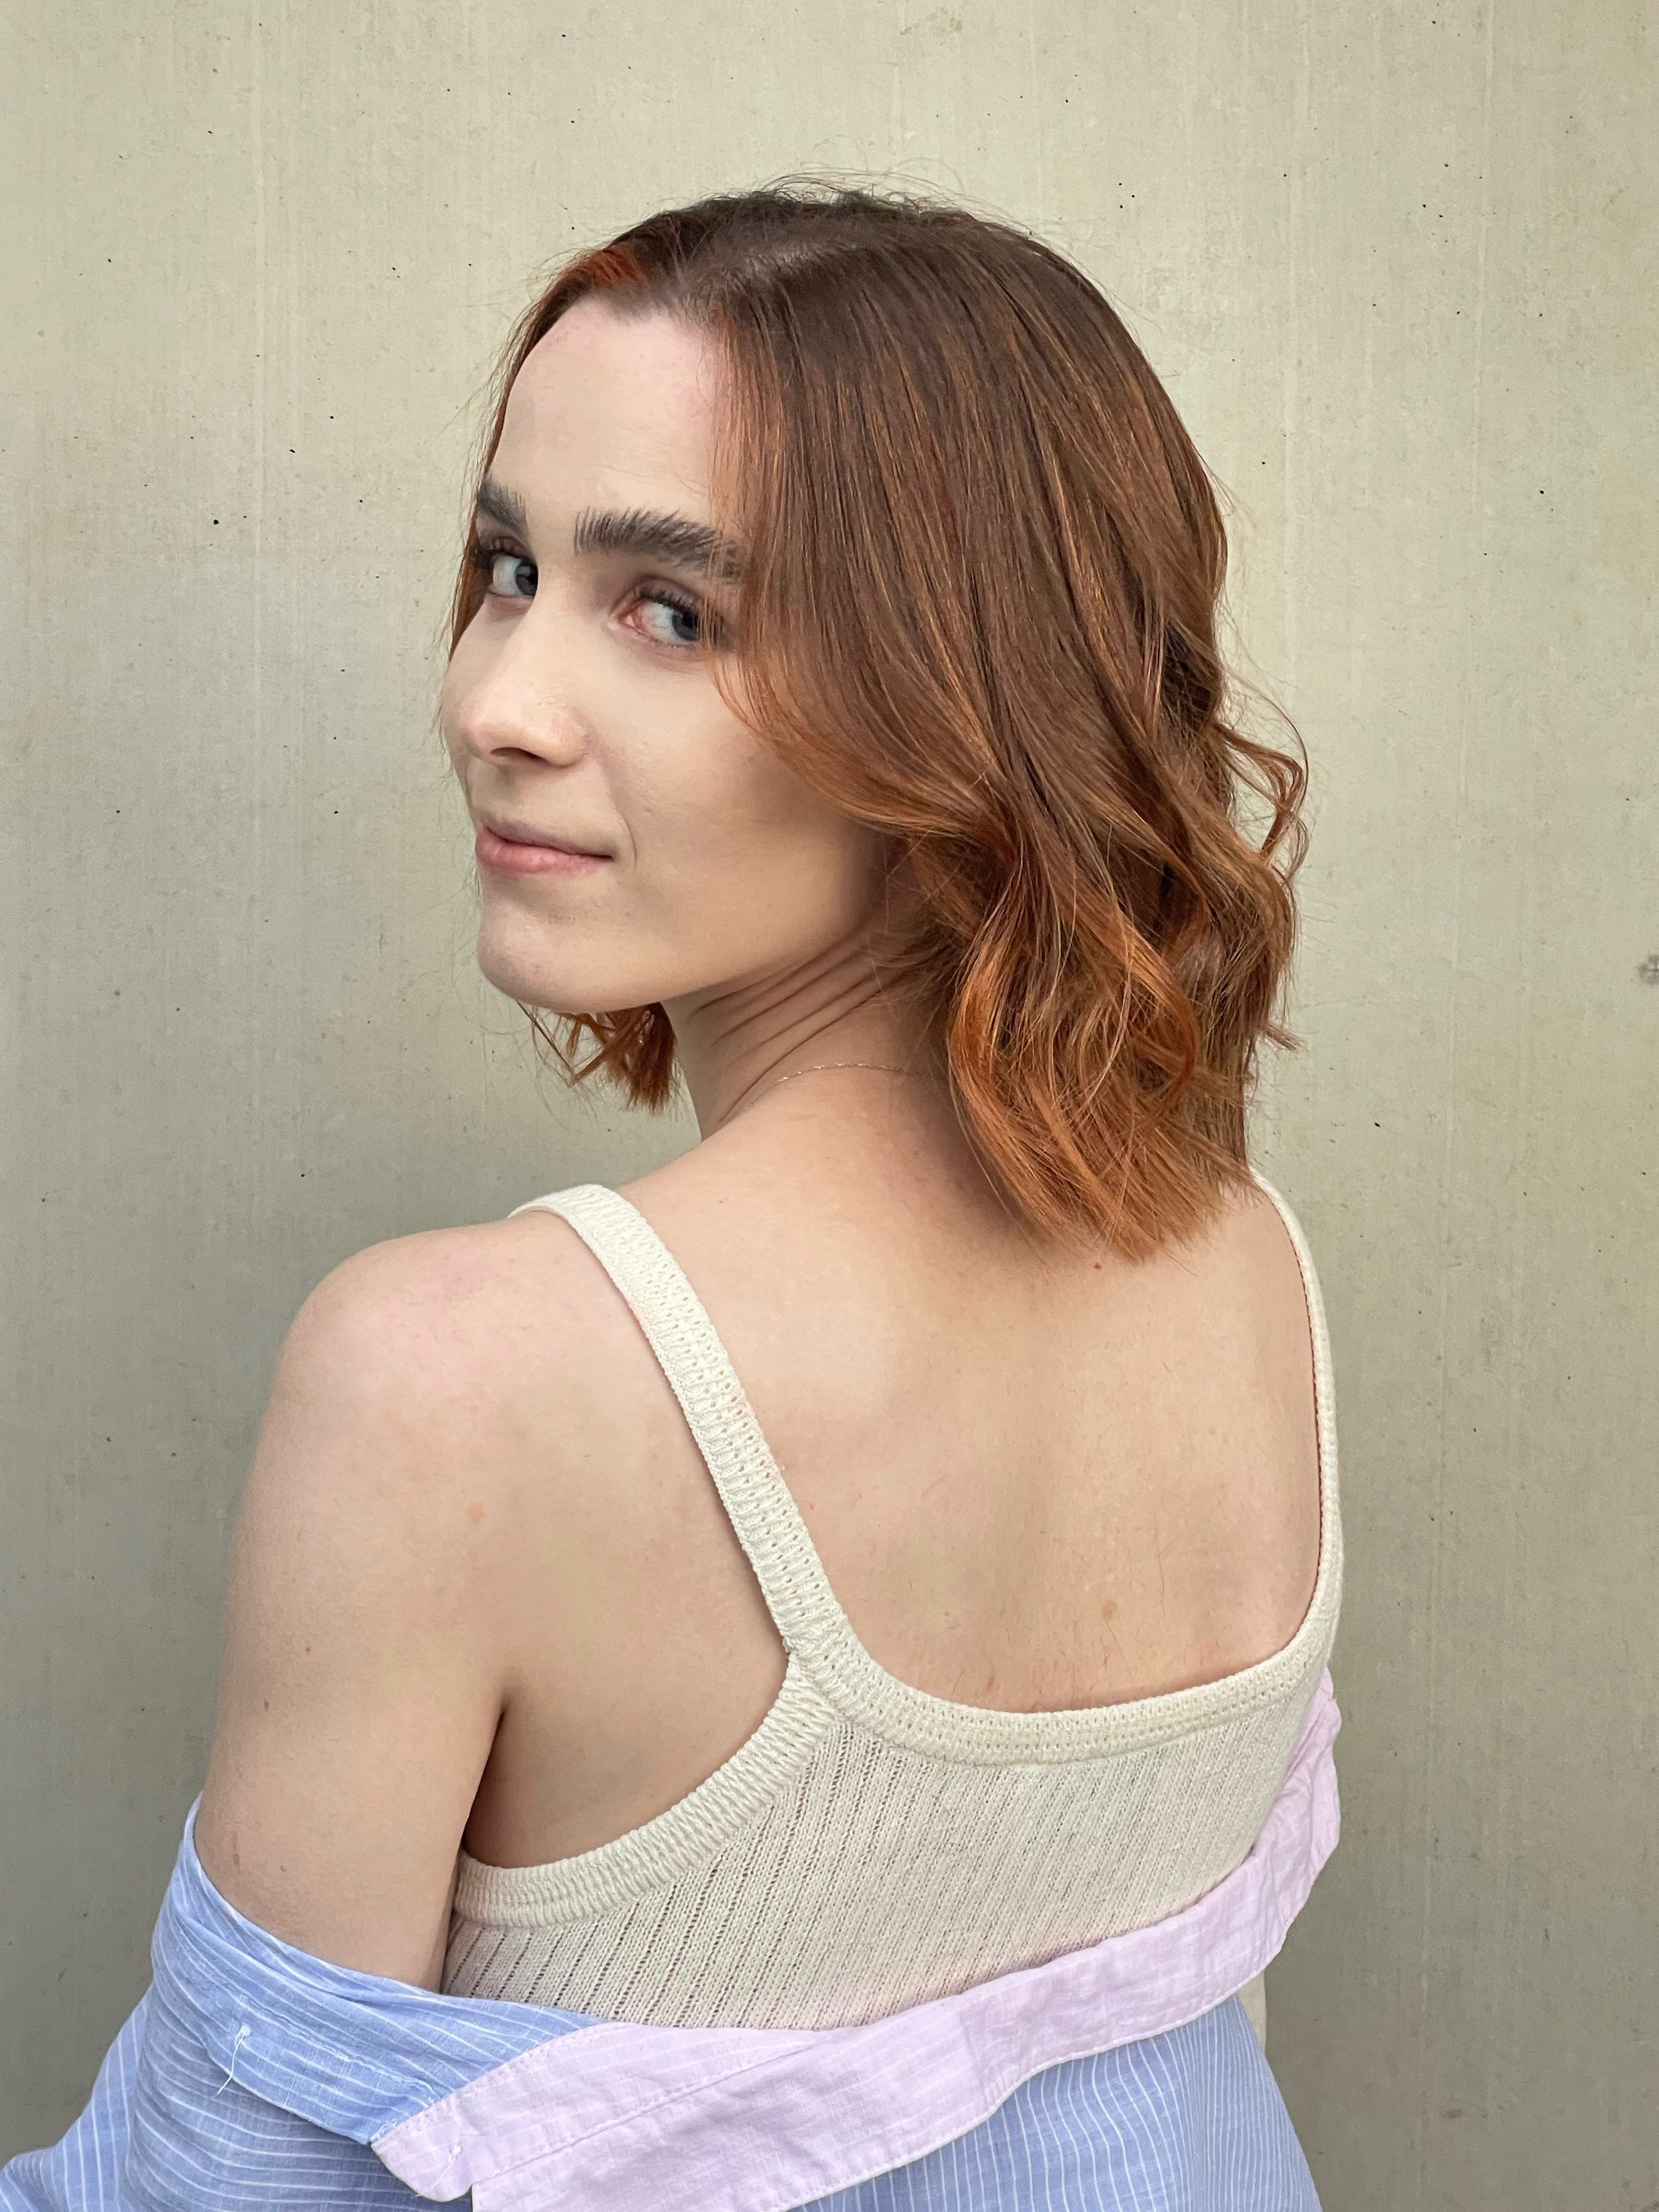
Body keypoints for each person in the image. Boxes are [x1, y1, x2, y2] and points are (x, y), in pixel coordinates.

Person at [3, 184, 1342, 2211]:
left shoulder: (453, 1377)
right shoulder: (1247, 1269)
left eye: (670, 613)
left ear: (962, 699)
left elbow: (225, 2188)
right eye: (507, 568)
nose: (491, 703)